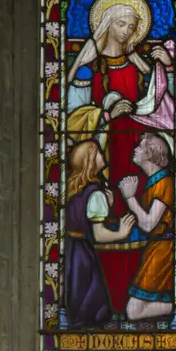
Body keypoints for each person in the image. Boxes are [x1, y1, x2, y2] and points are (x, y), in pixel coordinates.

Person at [67, 0, 173, 310]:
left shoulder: (137, 64)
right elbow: (75, 111)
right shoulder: (92, 65)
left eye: (132, 26)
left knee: (138, 208)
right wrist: (108, 112)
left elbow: (157, 99)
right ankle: (106, 295)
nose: (128, 32)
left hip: (136, 148)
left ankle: (136, 291)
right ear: (108, 24)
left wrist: (162, 65)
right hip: (105, 148)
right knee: (109, 209)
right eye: (123, 25)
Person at [63, 141, 135, 330]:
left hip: (72, 250)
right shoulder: (95, 194)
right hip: (84, 253)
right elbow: (99, 234)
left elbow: (81, 218)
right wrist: (121, 232)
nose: (103, 155)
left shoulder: (73, 192)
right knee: (93, 296)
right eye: (98, 153)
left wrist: (106, 207)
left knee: (77, 291)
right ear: (90, 161)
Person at [118, 131, 176, 326]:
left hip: (163, 251)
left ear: (150, 153)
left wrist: (130, 198)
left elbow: (150, 224)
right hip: (155, 248)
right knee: (133, 309)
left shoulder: (165, 182)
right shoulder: (154, 182)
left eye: (139, 147)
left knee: (133, 311)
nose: (134, 150)